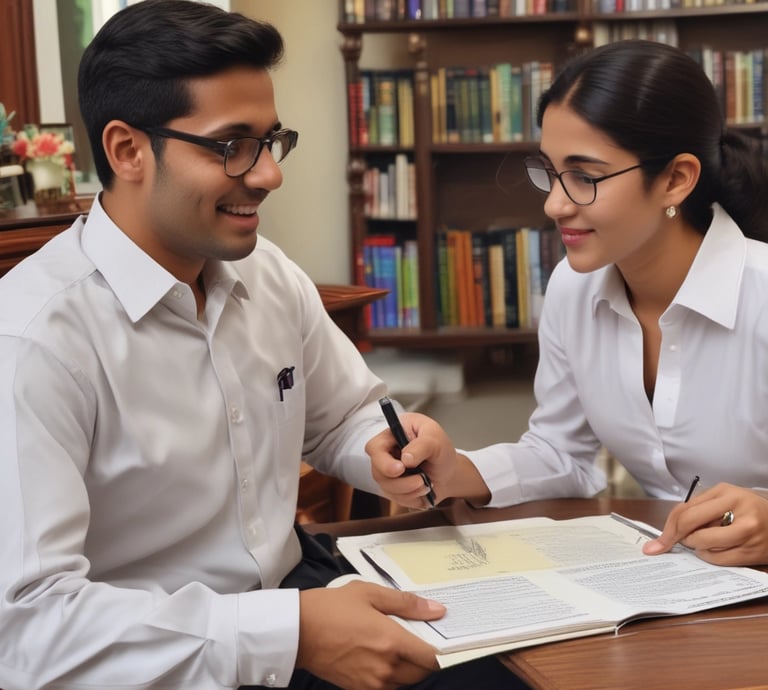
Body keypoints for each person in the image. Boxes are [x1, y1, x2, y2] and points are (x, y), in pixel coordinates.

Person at [0, 2, 526, 689]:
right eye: (231, 146)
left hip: (296, 595)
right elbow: (28, 631)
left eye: (271, 140)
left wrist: (381, 449)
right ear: (128, 150)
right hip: (153, 660)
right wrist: (287, 636)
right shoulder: (34, 341)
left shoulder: (267, 273)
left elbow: (342, 417)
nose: (269, 174)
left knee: (521, 668)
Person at [368, 39, 768, 568]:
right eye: (551, 172)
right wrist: (453, 468)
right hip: (668, 577)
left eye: (585, 177)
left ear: (675, 179)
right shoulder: (572, 289)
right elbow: (563, 455)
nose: (554, 203)